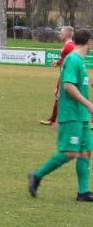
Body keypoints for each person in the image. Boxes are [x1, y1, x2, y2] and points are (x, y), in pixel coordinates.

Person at [28, 28, 93, 201]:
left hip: (82, 115)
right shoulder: (72, 59)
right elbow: (68, 86)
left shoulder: (79, 60)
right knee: (71, 152)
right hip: (72, 114)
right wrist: (88, 104)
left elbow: (78, 84)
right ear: (89, 42)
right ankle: (37, 175)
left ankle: (83, 192)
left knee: (86, 151)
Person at [40, 26, 75, 126]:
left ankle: (53, 119)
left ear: (66, 35)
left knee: (60, 96)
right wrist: (59, 62)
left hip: (66, 76)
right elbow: (67, 58)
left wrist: (68, 72)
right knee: (67, 97)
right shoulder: (68, 45)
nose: (60, 35)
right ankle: (57, 118)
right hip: (65, 74)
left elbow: (73, 59)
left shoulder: (70, 46)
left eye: (61, 33)